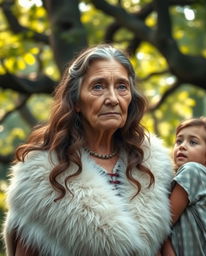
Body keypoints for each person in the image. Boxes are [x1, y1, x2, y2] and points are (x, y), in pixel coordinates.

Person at [3, 44, 173, 256]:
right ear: (76, 102)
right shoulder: (39, 178)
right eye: (98, 87)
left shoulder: (154, 166)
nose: (112, 98)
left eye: (121, 87)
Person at [161, 117, 206, 256]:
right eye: (179, 140)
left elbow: (162, 224)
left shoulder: (192, 171)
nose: (182, 146)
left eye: (193, 142)